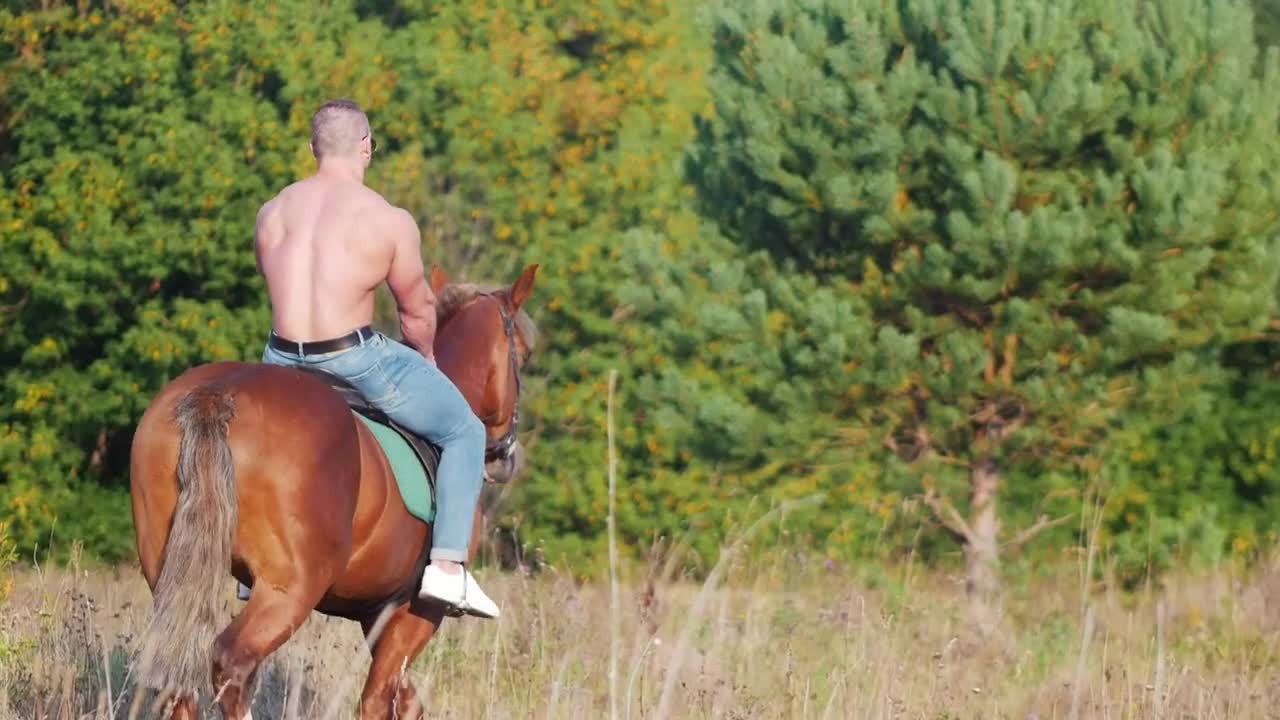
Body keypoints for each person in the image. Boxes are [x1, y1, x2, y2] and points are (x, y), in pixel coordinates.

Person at [249, 98, 499, 619]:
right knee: (465, 432)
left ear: (314, 148)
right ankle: (449, 569)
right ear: (366, 146)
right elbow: (415, 310)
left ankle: (254, 577)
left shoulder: (271, 212)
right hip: (349, 361)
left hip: (278, 359)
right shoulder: (388, 219)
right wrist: (426, 357)